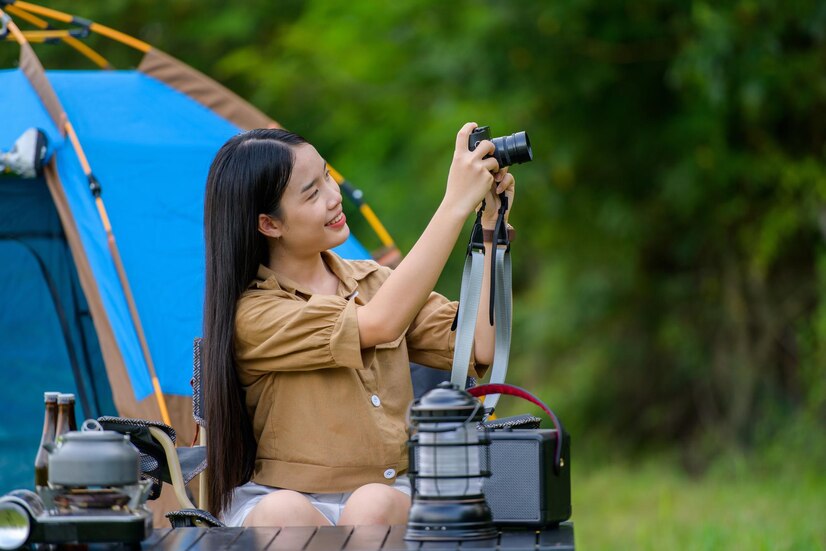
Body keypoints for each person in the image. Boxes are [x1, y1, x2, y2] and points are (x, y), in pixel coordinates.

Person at [202, 122, 515, 527]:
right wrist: (454, 203)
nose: (334, 198)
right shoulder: (254, 314)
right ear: (270, 224)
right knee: (285, 513)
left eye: (328, 177)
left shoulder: (374, 282)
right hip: (283, 497)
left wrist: (491, 228)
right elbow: (380, 324)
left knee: (372, 504)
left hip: (390, 495)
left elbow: (478, 346)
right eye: (312, 193)